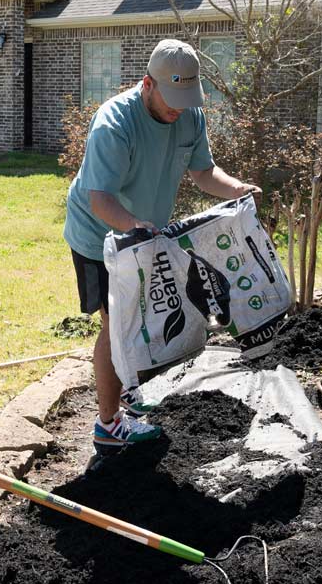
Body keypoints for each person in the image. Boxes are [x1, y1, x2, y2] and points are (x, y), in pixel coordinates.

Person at [63, 38, 260, 469]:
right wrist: (135, 228)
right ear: (147, 83)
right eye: (171, 99)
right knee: (118, 327)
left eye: (186, 100)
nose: (178, 110)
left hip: (145, 235)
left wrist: (237, 190)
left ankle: (130, 389)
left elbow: (204, 173)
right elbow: (100, 199)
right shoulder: (114, 123)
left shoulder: (189, 116)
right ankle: (109, 425)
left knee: (146, 319)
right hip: (100, 236)